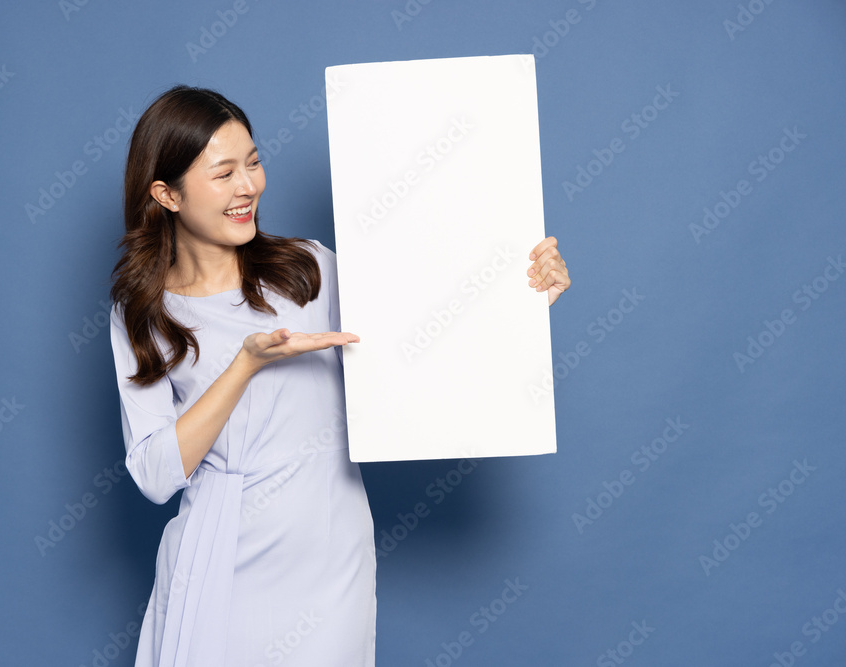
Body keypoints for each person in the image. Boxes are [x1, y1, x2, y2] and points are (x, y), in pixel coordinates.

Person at [108, 85, 570, 667]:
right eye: (223, 173)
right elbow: (154, 474)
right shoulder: (144, 311)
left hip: (329, 552)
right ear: (166, 194)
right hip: (217, 556)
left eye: (253, 162)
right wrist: (246, 363)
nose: (248, 186)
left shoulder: (308, 271)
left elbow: (431, 338)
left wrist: (527, 298)